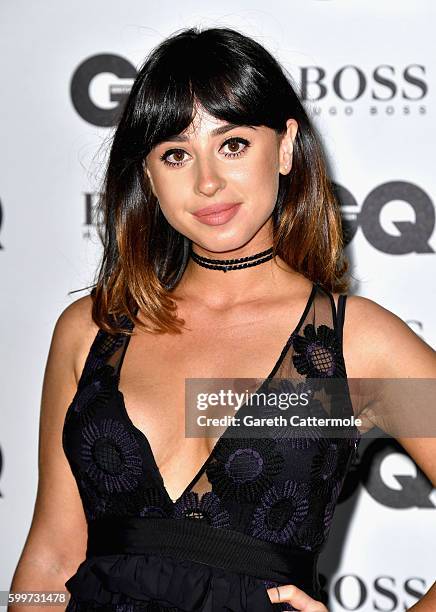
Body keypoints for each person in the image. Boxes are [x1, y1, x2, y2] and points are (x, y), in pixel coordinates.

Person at [8, 26, 436, 612]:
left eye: (232, 144)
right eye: (176, 154)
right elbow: (52, 558)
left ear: (285, 146)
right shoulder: (92, 331)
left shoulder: (356, 344)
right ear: (149, 176)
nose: (206, 181)